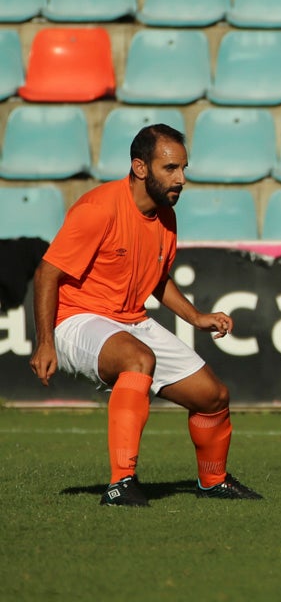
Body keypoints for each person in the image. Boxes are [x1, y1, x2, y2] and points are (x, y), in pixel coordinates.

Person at [28, 124, 262, 507]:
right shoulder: (98, 208)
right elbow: (47, 273)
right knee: (138, 359)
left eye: (183, 168)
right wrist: (44, 342)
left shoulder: (165, 216)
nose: (181, 179)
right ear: (140, 168)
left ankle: (213, 481)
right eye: (170, 169)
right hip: (77, 319)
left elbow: (157, 278)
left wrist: (196, 317)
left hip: (130, 319)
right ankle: (121, 483)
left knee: (214, 397)